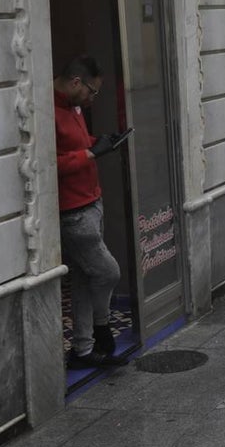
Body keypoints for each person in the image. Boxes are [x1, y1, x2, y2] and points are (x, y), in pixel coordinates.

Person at [54, 57, 128, 369]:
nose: (92, 99)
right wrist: (88, 153)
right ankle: (101, 329)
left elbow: (78, 146)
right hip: (72, 211)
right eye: (91, 93)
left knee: (85, 277)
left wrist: (100, 143)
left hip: (91, 202)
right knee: (108, 271)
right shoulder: (48, 112)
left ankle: (82, 351)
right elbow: (49, 164)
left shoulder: (74, 107)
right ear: (75, 83)